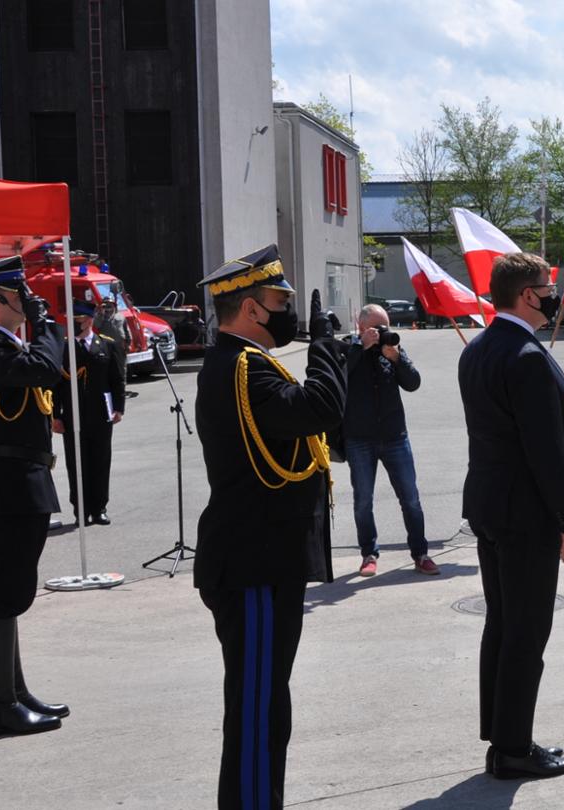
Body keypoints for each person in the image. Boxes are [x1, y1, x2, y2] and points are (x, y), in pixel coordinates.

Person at [194, 244, 346, 809]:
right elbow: (320, 408)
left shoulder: (245, 365)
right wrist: (327, 347)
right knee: (258, 709)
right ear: (253, 309)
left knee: (266, 705)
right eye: (280, 301)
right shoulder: (242, 369)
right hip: (252, 562)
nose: (289, 313)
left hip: (261, 556)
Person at [459, 251, 564, 780]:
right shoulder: (527, 356)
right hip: (527, 513)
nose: (552, 294)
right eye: (546, 286)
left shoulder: (481, 348)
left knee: (503, 625)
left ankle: (501, 737)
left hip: (491, 505)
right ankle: (513, 749)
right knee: (526, 633)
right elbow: (546, 449)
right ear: (527, 295)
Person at [0, 258, 69, 737]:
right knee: (5, 593)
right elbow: (46, 368)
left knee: (11, 591)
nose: (30, 303)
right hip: (8, 481)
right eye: (20, 296)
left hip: (19, 478)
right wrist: (47, 326)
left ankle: (14, 692)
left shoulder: (0, 346)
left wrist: (40, 326)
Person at [341, 303, 435, 577]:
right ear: (361, 327)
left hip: (394, 436)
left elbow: (413, 382)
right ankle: (369, 554)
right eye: (377, 327)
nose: (383, 332)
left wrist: (396, 359)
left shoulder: (392, 349)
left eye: (386, 326)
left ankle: (421, 554)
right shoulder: (348, 348)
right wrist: (361, 347)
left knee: (411, 499)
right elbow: (339, 378)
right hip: (359, 438)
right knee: (363, 501)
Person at [51, 300, 126, 526]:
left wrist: (119, 408)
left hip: (101, 414)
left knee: (101, 462)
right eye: (72, 322)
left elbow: (117, 379)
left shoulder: (106, 345)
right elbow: (54, 385)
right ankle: (80, 510)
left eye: (80, 321)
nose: (75, 325)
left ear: (90, 320)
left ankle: (99, 507)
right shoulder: (64, 348)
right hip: (72, 415)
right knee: (76, 465)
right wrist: (55, 416)